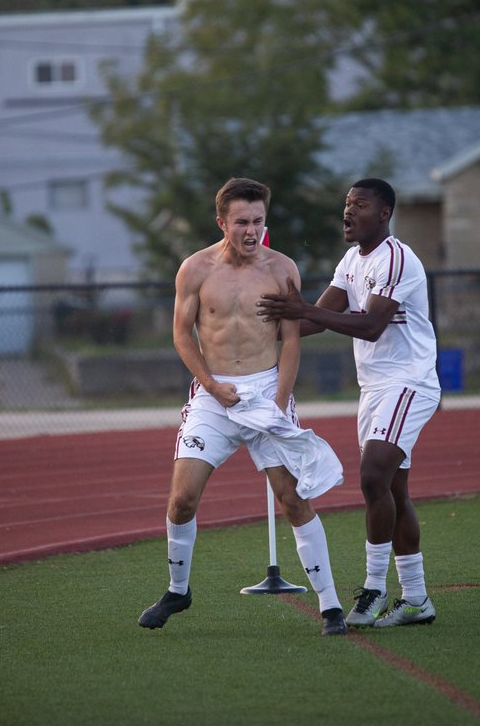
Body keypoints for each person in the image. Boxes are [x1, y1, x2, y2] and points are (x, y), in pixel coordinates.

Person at [138, 177, 348, 637]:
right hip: (214, 397)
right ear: (222, 222)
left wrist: (278, 400)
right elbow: (181, 335)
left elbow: (291, 342)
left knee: (293, 499)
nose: (251, 231)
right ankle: (178, 590)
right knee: (181, 498)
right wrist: (212, 386)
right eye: (242, 222)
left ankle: (331, 605)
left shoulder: (281, 269)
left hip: (266, 391)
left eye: (258, 221)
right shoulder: (194, 269)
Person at [257, 178, 440, 629]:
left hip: (409, 381)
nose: (348, 211)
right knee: (392, 490)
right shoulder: (351, 260)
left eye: (359, 204)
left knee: (373, 475)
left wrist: (303, 311)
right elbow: (319, 319)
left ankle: (375, 590)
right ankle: (416, 600)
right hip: (374, 389)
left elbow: (371, 324)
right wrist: (254, 331)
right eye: (346, 204)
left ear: (384, 214)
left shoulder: (395, 257)